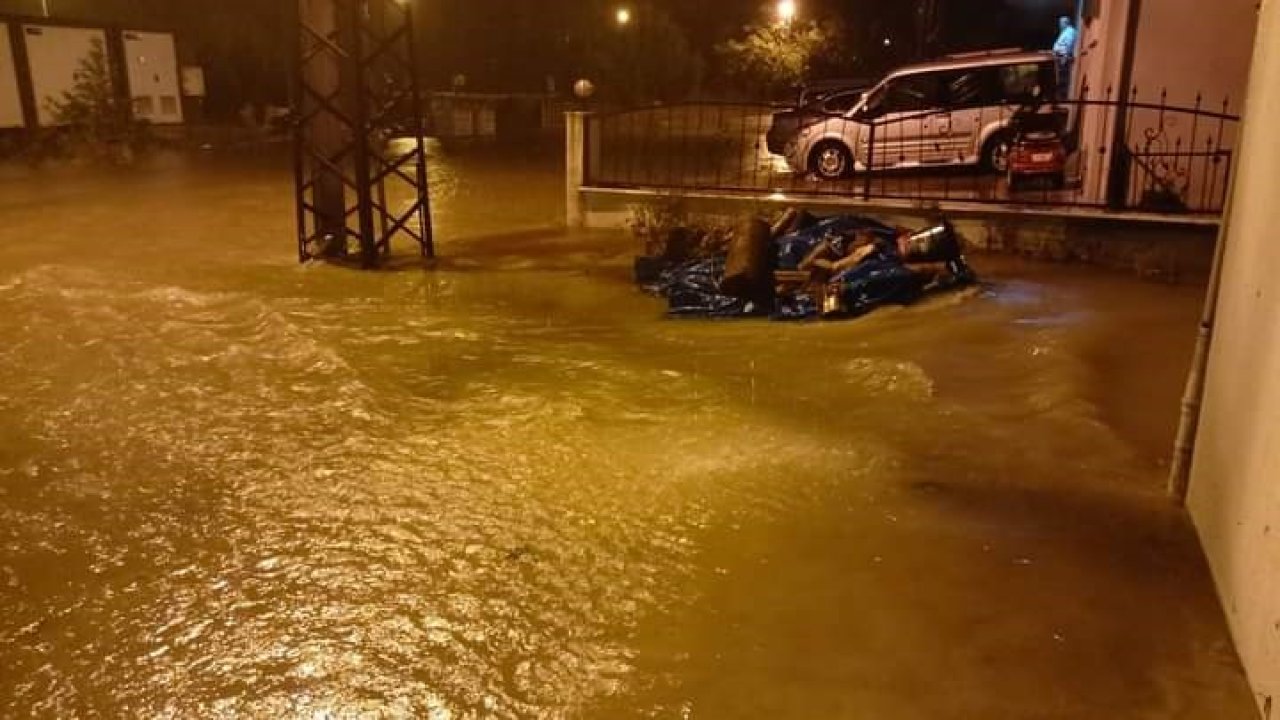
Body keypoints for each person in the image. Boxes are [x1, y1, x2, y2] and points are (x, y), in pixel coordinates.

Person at [1053, 16, 1078, 97]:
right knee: (1060, 78)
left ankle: (1063, 96)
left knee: (1063, 79)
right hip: (1061, 57)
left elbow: (1068, 45)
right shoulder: (1066, 31)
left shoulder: (1070, 31)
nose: (1060, 25)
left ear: (1065, 23)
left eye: (1061, 23)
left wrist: (1065, 56)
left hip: (1064, 58)